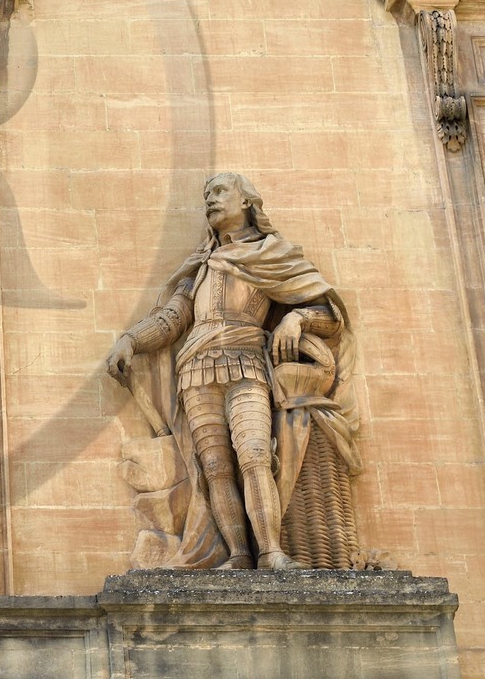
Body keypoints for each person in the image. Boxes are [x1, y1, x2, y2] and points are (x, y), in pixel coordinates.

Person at [105, 173, 353, 570]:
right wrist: (130, 340)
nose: (210, 200)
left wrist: (297, 320)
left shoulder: (274, 254)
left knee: (254, 454)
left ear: (246, 202)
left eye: (219, 192)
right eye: (206, 195)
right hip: (195, 372)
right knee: (216, 468)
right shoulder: (200, 267)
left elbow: (330, 315)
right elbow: (172, 319)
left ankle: (271, 551)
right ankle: (237, 554)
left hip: (246, 363)